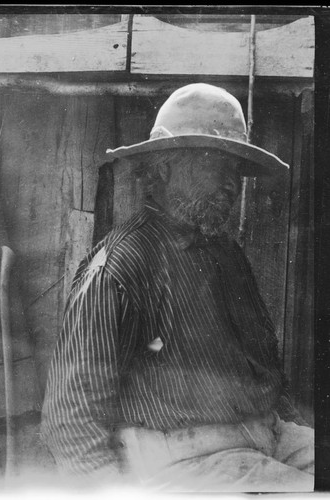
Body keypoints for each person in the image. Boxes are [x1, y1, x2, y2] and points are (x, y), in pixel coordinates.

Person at [41, 84, 314, 492]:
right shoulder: (120, 265)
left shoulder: (226, 255)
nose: (231, 185)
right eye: (215, 164)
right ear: (164, 168)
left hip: (268, 437)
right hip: (189, 461)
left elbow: (264, 366)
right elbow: (70, 417)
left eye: (235, 170)